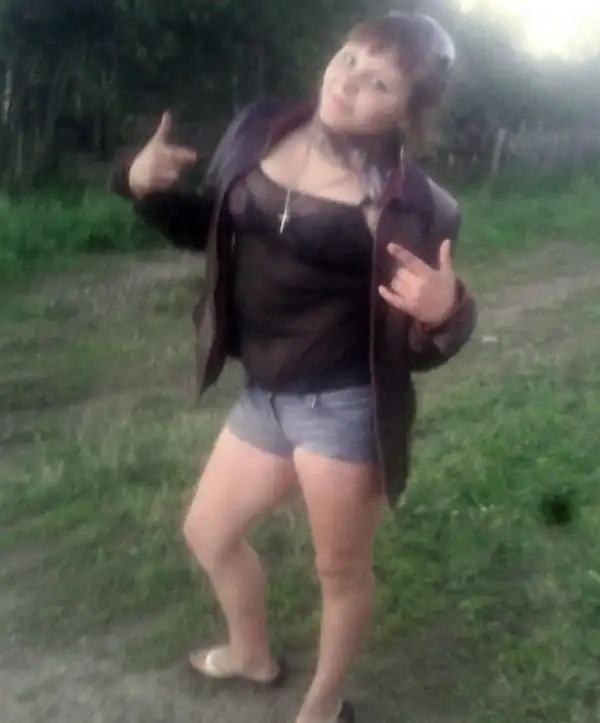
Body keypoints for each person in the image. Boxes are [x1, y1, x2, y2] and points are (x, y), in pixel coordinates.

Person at [109, 10, 477, 723]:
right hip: (267, 393)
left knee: (339, 571)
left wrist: (446, 312)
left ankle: (323, 705)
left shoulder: (414, 204)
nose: (348, 82)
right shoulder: (261, 128)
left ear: (407, 111)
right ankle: (252, 655)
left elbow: (420, 337)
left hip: (344, 404)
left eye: (380, 83)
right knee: (208, 532)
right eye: (349, 58)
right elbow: (214, 229)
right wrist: (144, 187)